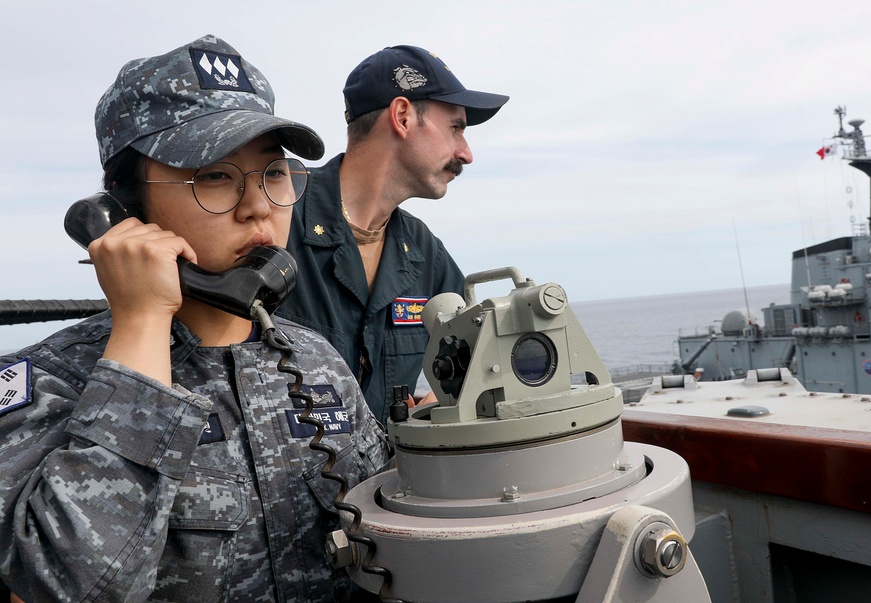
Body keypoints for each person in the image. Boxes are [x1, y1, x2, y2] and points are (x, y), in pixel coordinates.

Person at [0, 35, 389, 602]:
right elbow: (65, 588)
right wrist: (141, 325)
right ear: (126, 210)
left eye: (274, 174)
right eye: (214, 176)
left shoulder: (313, 362)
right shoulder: (47, 385)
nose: (258, 206)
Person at [277, 45, 509, 425]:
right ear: (402, 116)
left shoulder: (422, 250)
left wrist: (441, 402)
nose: (466, 154)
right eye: (456, 127)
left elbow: (483, 351)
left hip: (385, 483)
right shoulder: (277, 208)